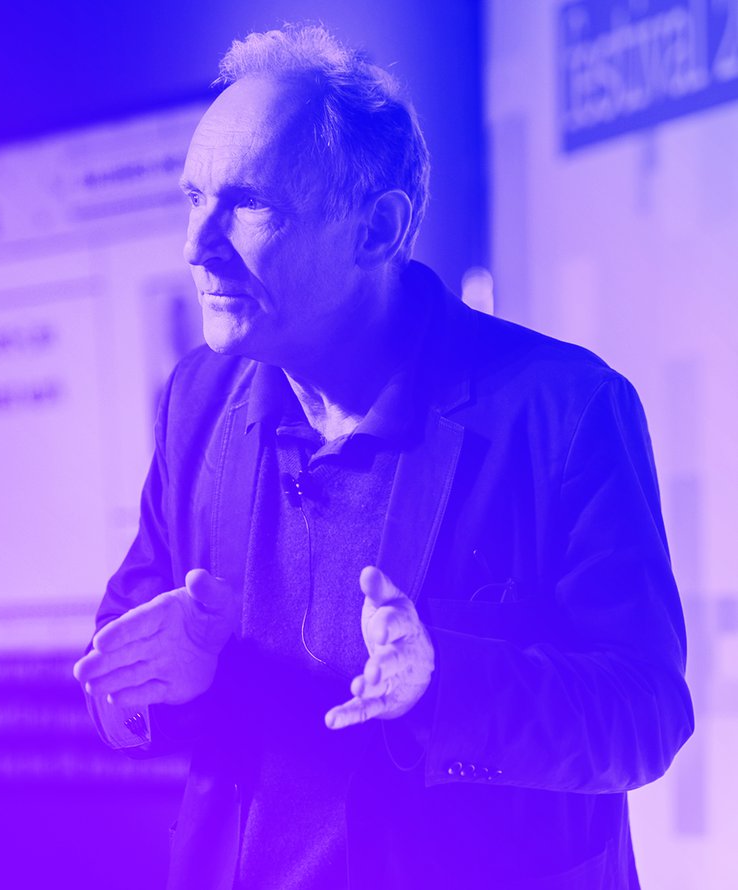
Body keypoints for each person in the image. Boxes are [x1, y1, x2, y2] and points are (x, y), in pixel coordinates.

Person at [73, 23, 693, 890]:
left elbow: (645, 713)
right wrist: (164, 682)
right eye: (192, 198)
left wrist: (444, 684)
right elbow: (127, 659)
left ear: (378, 229)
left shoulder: (566, 410)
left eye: (248, 204)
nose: (196, 243)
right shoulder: (199, 399)